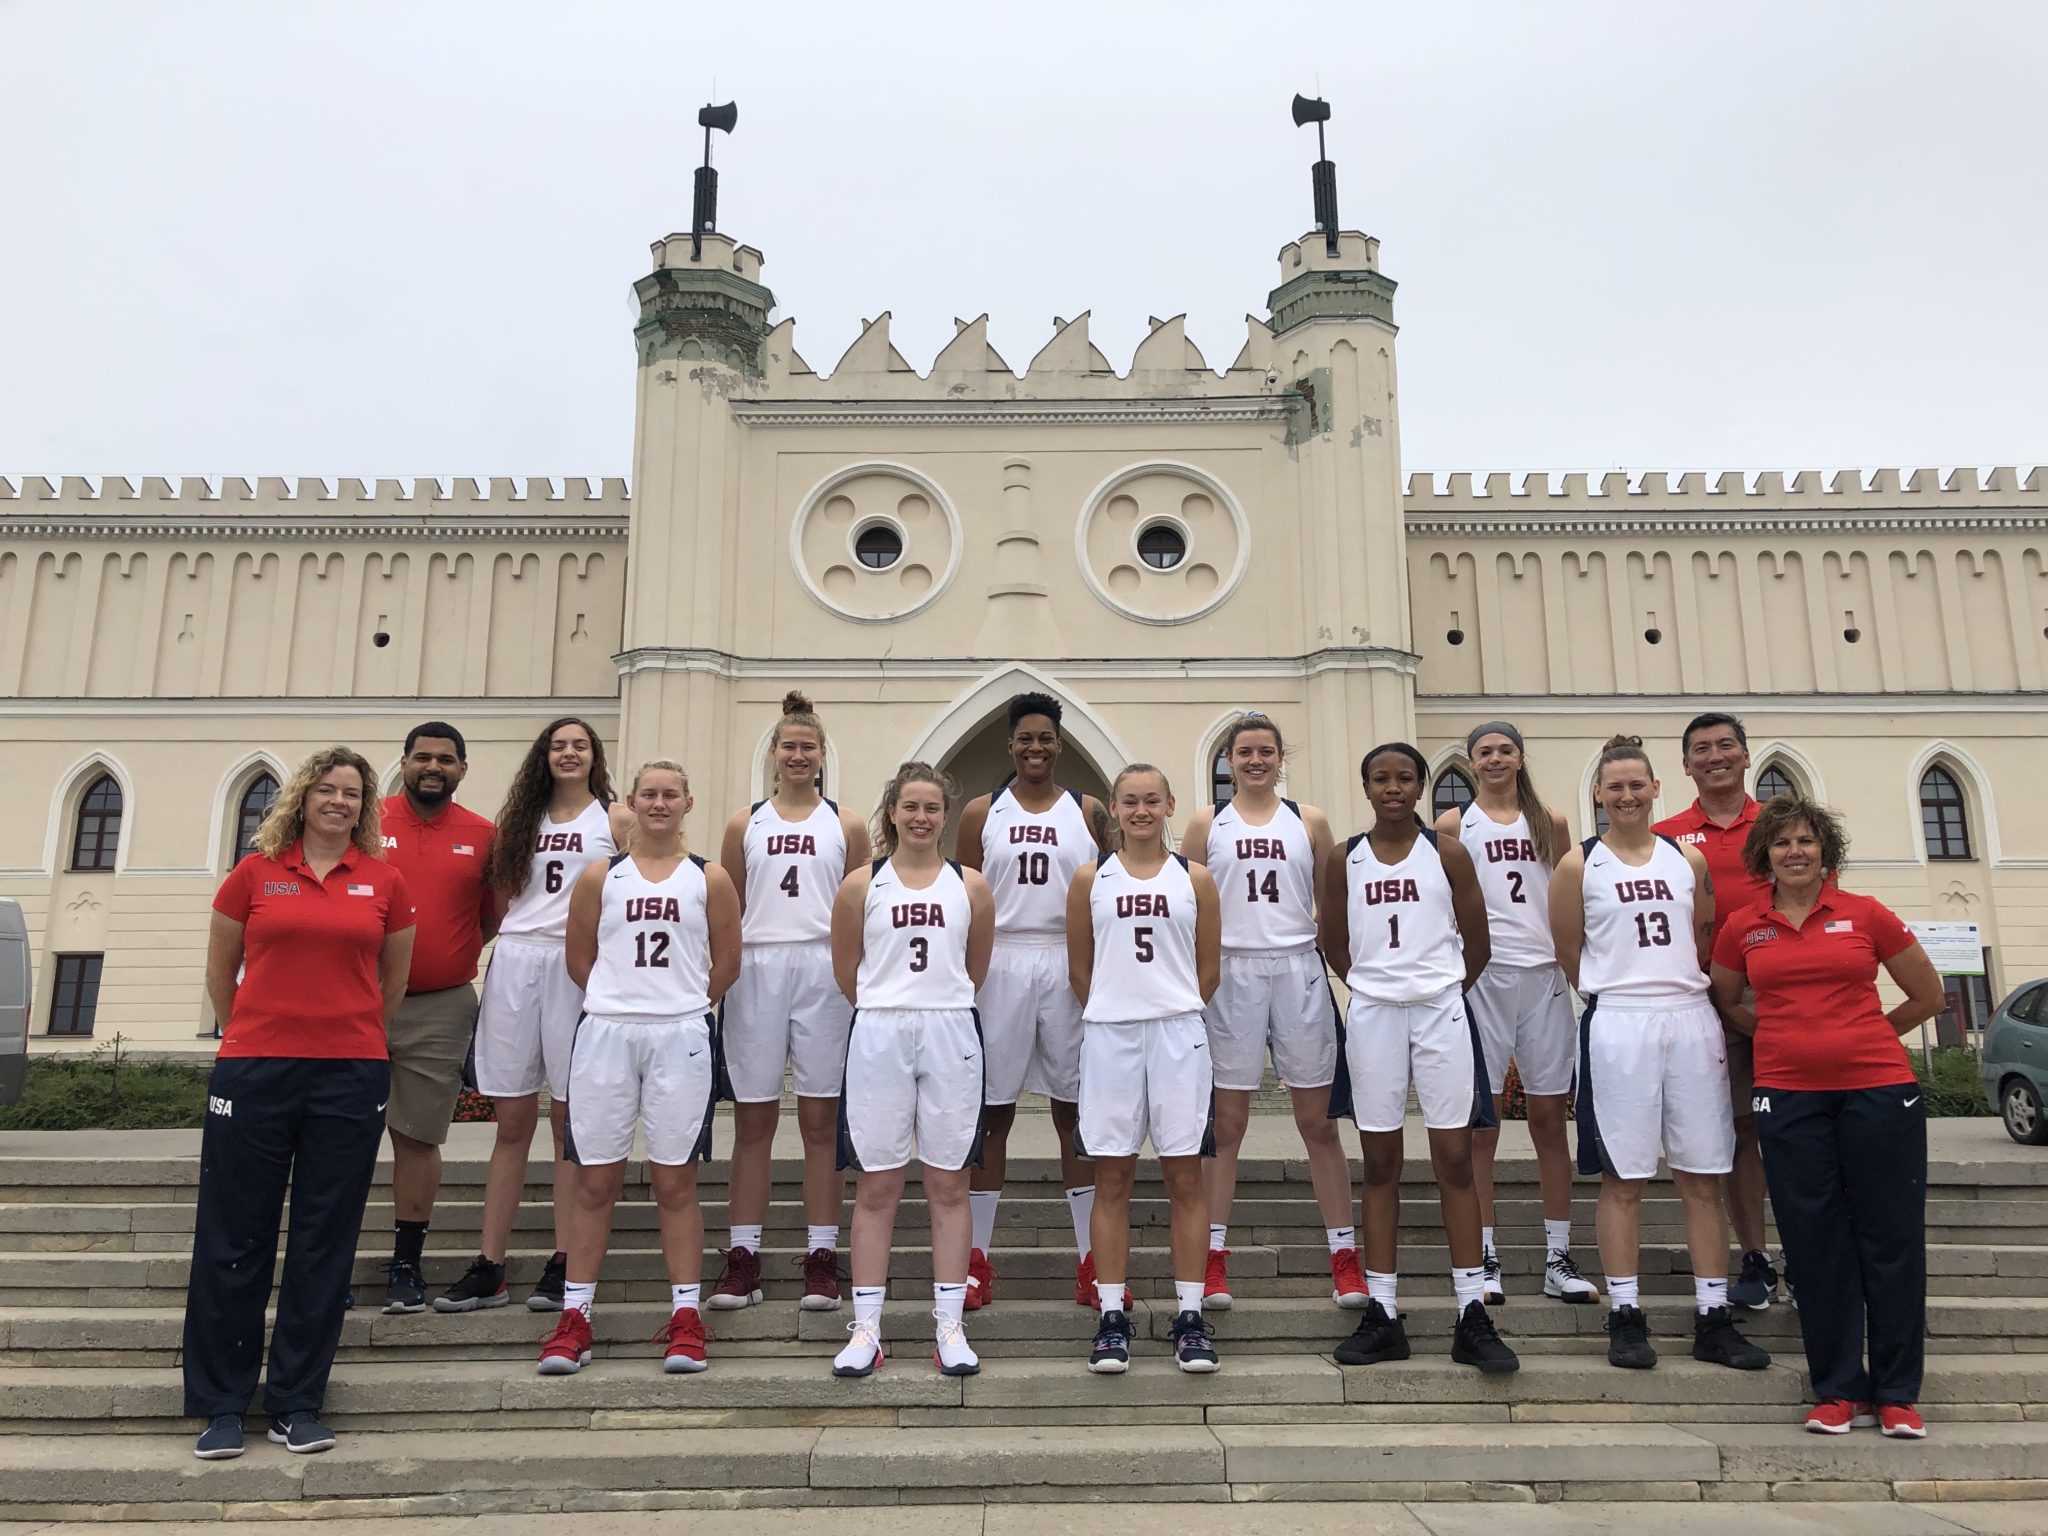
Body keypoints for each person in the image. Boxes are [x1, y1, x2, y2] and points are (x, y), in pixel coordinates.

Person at [187, 746, 416, 1460]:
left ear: (364, 807)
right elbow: (222, 973)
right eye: (328, 790)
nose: (340, 802)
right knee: (235, 1237)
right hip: (254, 1071)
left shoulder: (385, 882)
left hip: (348, 1077)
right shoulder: (252, 875)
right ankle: (223, 1404)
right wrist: (254, 1034)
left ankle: (296, 1402)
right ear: (302, 798)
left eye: (353, 793)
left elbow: (392, 983)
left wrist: (347, 1038)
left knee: (324, 1241)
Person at [1711, 796, 1945, 1437]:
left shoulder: (1866, 914)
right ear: (1764, 856)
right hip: (1788, 1097)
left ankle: (1896, 1393)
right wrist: (1779, 1039)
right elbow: (1726, 998)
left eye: (1806, 842)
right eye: (1782, 843)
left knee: (1891, 1240)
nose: (1795, 852)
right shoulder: (1742, 926)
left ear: (1826, 852)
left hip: (1879, 1093)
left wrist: (1871, 1034)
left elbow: (1929, 995)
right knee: (1815, 1242)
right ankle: (1838, 1390)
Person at [1551, 734, 1769, 1375]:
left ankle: (1712, 1317)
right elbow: (1570, 950)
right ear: (1598, 793)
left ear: (1654, 790)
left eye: (1635, 785)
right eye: (1613, 785)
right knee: (1624, 1178)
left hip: (1690, 1019)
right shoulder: (1578, 865)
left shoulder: (1687, 860)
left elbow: (1700, 935)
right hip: (1620, 1020)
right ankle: (1625, 1314)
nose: (1625, 795)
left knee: (1702, 1175)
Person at [536, 760, 742, 1375]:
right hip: (606, 1032)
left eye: (670, 794)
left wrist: (678, 1002)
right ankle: (576, 1318)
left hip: (679, 1033)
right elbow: (581, 960)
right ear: (631, 801)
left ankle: (685, 1317)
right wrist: (621, 1000)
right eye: (648, 794)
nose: (658, 803)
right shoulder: (601, 875)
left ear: (688, 803)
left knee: (675, 1181)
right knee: (596, 1180)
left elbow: (726, 963)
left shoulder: (711, 878)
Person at [1320, 742, 1517, 1375]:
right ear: (1367, 787)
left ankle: (1471, 1311)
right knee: (1379, 1161)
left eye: (1406, 778)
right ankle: (1382, 1310)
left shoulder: (1448, 852)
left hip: (1439, 1010)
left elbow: (1477, 941)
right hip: (1375, 1012)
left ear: (1423, 785)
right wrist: (1379, 985)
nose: (1394, 788)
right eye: (1381, 778)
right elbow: (1335, 942)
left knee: (1455, 1158)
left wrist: (1437, 990)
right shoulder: (1342, 858)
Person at [436, 717, 635, 1314]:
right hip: (518, 960)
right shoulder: (519, 821)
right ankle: (490, 1264)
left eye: (580, 745)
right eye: (558, 745)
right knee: (512, 1122)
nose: (568, 753)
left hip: (577, 967)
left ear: (595, 756)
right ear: (543, 756)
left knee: (569, 1123)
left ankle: (565, 1260)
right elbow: (500, 903)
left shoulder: (616, 820)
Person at [1178, 714, 1360, 1311]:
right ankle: (1212, 1259)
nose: (1255, 761)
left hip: (1296, 967)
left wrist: (1341, 969)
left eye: (1266, 752)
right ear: (1228, 760)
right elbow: (1192, 904)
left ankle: (1344, 1257)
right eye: (1245, 752)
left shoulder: (1309, 821)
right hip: (1232, 971)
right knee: (1225, 1126)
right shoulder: (1207, 823)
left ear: (1282, 759)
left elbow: (1333, 897)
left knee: (1319, 1123)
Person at [828, 763, 996, 1378]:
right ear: (892, 813)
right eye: (910, 807)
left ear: (944, 817)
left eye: (931, 808)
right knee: (877, 1186)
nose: (921, 817)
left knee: (949, 1184)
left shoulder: (970, 885)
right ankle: (866, 1329)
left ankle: (949, 1326)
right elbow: (848, 971)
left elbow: (975, 967)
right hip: (880, 1029)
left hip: (950, 1027)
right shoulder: (859, 885)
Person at [952, 693, 1112, 1311]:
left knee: (1077, 1115)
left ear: (1060, 745)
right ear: (1011, 744)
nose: (1036, 747)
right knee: (993, 1114)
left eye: (1046, 738)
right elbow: (963, 896)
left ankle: (1093, 1262)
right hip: (1002, 961)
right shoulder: (980, 812)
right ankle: (974, 1263)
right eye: (1026, 738)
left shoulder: (1088, 810)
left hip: (1068, 957)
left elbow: (1105, 893)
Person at [713, 691, 870, 1312]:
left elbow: (857, 903)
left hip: (823, 969)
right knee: (752, 1120)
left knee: (819, 1121)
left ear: (822, 755)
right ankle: (744, 1255)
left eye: (809, 746)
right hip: (759, 966)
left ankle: (822, 1254)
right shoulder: (743, 822)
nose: (798, 755)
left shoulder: (847, 824)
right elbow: (731, 905)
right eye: (789, 746)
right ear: (774, 754)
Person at [1068, 764, 1224, 1374]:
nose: (1140, 810)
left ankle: (1189, 1315)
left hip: (1177, 1031)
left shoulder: (1197, 879)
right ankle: (1112, 1315)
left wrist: (1168, 1007)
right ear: (1114, 808)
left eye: (1151, 800)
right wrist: (1115, 1010)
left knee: (1185, 1176)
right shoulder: (1089, 878)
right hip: (1110, 1034)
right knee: (1113, 1178)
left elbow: (1207, 971)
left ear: (1169, 806)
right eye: (1129, 801)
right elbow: (1080, 969)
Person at [1436, 721, 1596, 1307]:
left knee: (1550, 1122)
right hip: (1484, 977)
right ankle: (1485, 1256)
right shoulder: (1454, 824)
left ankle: (1558, 1255)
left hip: (1545, 977)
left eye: (1505, 750)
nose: (1496, 759)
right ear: (1472, 762)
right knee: (1483, 1127)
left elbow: (1564, 894)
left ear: (1520, 758)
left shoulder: (1549, 821)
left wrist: (1574, 966)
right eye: (1485, 752)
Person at [1653, 712, 1777, 1309]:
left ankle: (1809, 1255)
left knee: (1800, 1130)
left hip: (1781, 994)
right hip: (1705, 996)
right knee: (1738, 1130)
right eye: (1701, 749)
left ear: (1747, 756)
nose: (1715, 756)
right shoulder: (1666, 835)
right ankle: (1755, 1256)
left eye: (1726, 746)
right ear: (1685, 766)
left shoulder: (1782, 827)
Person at [376, 721, 496, 1314]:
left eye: (445, 759)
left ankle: (406, 1264)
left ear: (462, 770)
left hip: (440, 1005)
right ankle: (324, 1262)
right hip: (356, 1000)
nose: (433, 767)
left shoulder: (482, 835)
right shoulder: (366, 821)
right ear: (402, 763)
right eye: (422, 757)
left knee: (418, 1138)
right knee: (335, 1138)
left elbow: (491, 916)